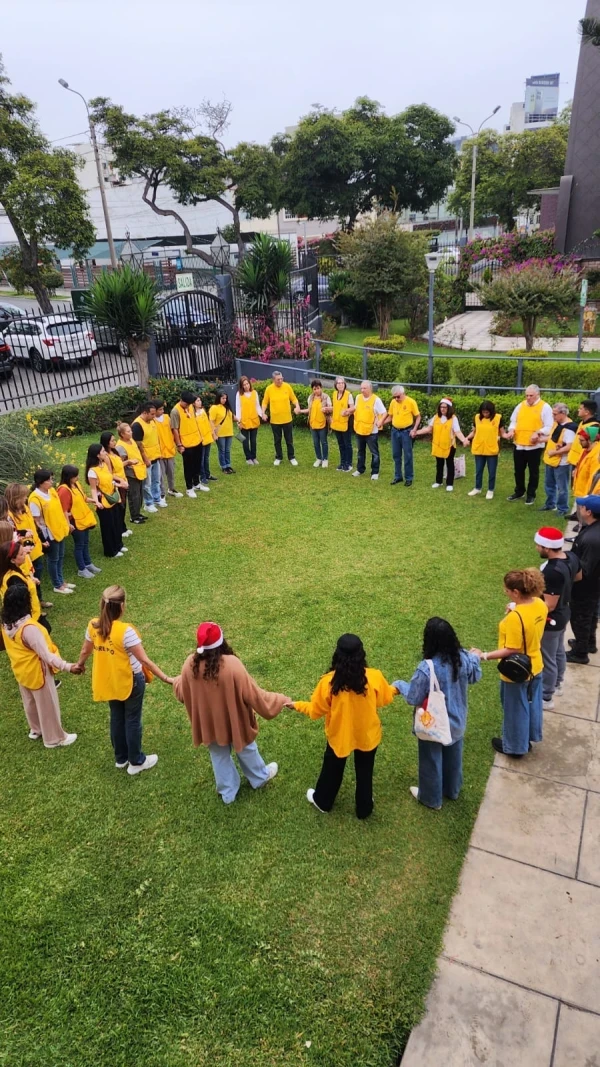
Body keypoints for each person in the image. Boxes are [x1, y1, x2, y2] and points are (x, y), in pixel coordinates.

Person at [173, 621, 292, 804]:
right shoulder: (232, 665)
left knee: (218, 755)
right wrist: (281, 700)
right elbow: (256, 696)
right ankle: (259, 778)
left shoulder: (190, 665)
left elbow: (183, 693)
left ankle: (228, 792)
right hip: (235, 721)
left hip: (209, 724)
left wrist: (177, 683)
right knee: (246, 749)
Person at [293, 633, 398, 818]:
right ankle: (364, 808)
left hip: (339, 737)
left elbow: (315, 711)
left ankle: (323, 801)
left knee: (332, 770)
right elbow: (385, 698)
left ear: (337, 655)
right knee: (365, 772)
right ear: (361, 654)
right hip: (367, 735)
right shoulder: (374, 677)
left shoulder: (328, 683)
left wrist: (296, 705)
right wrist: (396, 688)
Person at [75, 584, 173, 774]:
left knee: (117, 717)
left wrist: (79, 665)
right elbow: (144, 660)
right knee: (132, 720)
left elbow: (85, 650)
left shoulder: (93, 626)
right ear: (121, 607)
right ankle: (136, 761)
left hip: (109, 680)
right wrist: (166, 678)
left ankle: (121, 758)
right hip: (131, 681)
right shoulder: (126, 631)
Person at [394, 618, 481, 810]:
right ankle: (452, 790)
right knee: (454, 756)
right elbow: (475, 675)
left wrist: (399, 685)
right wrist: (476, 656)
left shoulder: (427, 668)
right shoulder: (463, 658)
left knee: (430, 760)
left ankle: (431, 798)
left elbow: (414, 697)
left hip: (432, 724)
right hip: (457, 721)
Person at [471, 569, 548, 758]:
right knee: (532, 704)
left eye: (507, 590)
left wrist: (483, 655)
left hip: (517, 671)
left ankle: (514, 747)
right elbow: (530, 618)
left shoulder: (515, 618)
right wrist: (516, 607)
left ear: (516, 592)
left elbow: (511, 649)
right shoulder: (539, 604)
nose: (505, 592)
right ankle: (528, 738)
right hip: (536, 664)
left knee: (515, 710)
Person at [1, 583, 78, 748]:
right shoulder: (29, 629)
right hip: (37, 670)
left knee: (29, 701)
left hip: (21, 669)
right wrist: (67, 666)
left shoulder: (6, 622)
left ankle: (35, 729)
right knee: (47, 703)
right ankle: (55, 738)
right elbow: (47, 656)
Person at [533, 527, 578, 708]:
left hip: (552, 620)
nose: (537, 548)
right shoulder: (571, 557)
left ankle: (546, 696)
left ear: (547, 548)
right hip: (564, 611)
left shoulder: (552, 571)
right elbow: (579, 577)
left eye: (539, 545)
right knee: (558, 651)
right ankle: (558, 683)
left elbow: (549, 605)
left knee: (547, 657)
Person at [505, 384, 553, 505]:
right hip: (519, 444)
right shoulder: (520, 406)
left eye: (531, 395)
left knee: (533, 471)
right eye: (526, 395)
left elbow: (549, 426)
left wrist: (539, 432)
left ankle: (531, 494)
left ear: (538, 394)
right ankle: (519, 491)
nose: (528, 398)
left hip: (534, 446)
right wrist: (511, 430)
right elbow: (513, 421)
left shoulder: (545, 407)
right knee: (518, 470)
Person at [566, 495, 600, 664]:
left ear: (589, 512)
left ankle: (580, 653)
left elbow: (584, 570)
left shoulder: (592, 539)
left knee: (581, 617)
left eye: (582, 507)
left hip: (586, 587)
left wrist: (571, 582)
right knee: (591, 614)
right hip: (594, 586)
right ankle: (589, 643)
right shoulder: (592, 528)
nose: (579, 509)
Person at [29, 469, 73, 595]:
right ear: (40, 482)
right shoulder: (34, 498)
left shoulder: (52, 491)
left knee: (60, 556)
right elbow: (37, 521)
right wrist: (43, 539)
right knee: (53, 559)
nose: (51, 482)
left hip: (59, 529)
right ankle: (57, 584)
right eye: (48, 480)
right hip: (49, 534)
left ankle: (61, 581)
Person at [57, 465, 101, 580]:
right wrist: (68, 524)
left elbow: (84, 498)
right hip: (75, 522)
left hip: (84, 519)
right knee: (79, 545)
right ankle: (82, 569)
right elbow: (64, 510)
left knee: (85, 542)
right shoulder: (64, 490)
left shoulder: (76, 485)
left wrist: (94, 501)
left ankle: (88, 564)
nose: (77, 477)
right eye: (75, 476)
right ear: (68, 477)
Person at [5, 482, 47, 601]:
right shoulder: (9, 516)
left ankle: (39, 600)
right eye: (23, 496)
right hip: (22, 553)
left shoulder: (25, 508)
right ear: (15, 498)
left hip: (35, 548)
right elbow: (12, 534)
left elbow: (34, 525)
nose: (26, 498)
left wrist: (42, 540)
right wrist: (23, 534)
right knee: (27, 577)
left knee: (37, 574)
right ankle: (30, 602)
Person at [415, 398, 468, 492]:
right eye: (441, 407)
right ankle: (438, 481)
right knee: (439, 464)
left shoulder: (453, 418)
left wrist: (464, 440)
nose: (442, 409)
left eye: (445, 407)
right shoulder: (436, 417)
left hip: (449, 445)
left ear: (449, 408)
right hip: (437, 445)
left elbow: (457, 431)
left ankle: (450, 483)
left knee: (449, 463)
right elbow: (428, 429)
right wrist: (416, 432)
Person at [85, 443, 125, 560]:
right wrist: (97, 502)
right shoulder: (92, 471)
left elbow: (110, 479)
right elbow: (93, 488)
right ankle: (110, 550)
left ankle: (118, 544)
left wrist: (118, 484)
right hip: (103, 500)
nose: (105, 453)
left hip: (112, 496)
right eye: (103, 451)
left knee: (117, 522)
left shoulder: (104, 465)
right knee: (108, 526)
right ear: (97, 455)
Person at [539, 403, 577, 517]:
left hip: (562, 463)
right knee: (549, 484)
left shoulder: (569, 428)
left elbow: (570, 446)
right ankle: (550, 503)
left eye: (555, 414)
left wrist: (555, 452)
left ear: (563, 413)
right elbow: (553, 438)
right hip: (550, 460)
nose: (553, 416)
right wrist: (540, 439)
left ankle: (562, 508)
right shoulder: (556, 424)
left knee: (562, 487)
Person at [0, 538, 45, 628]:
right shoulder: (14, 580)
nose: (25, 554)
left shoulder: (12, 572)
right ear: (13, 560)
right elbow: (21, 606)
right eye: (21, 554)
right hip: (28, 622)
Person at [381, 385, 421, 487]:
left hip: (406, 432)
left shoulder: (411, 402)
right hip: (395, 431)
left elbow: (418, 417)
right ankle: (398, 476)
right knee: (396, 455)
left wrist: (414, 429)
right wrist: (382, 422)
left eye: (398, 396)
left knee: (407, 455)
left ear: (403, 394)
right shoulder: (393, 402)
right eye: (394, 397)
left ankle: (409, 478)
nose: (396, 399)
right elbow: (390, 416)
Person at [465, 400, 504, 499]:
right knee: (478, 470)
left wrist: (509, 435)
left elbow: (502, 433)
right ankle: (477, 488)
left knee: (492, 471)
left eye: (487, 412)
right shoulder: (477, 417)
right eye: (483, 412)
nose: (485, 414)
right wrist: (466, 438)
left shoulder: (498, 418)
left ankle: (490, 490)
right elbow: (474, 432)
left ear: (491, 411)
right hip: (479, 448)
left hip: (492, 449)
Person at [261, 370, 301, 466]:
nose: (280, 381)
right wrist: (263, 413)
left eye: (281, 379)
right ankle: (278, 457)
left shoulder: (287, 386)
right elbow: (265, 402)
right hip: (275, 421)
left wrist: (297, 406)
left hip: (287, 419)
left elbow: (294, 398)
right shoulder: (269, 389)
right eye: (278, 379)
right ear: (273, 380)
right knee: (277, 440)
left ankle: (291, 457)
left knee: (289, 440)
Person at [170, 390, 206, 497]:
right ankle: (189, 487)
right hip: (186, 444)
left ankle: (197, 483)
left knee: (197, 463)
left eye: (190, 404)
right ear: (181, 400)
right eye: (186, 404)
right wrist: (179, 445)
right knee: (188, 466)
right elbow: (175, 429)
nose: (188, 406)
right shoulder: (175, 411)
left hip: (197, 440)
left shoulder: (190, 406)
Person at [352, 381, 387, 481]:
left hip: (371, 432)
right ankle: (360, 469)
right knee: (360, 451)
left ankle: (375, 472)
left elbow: (384, 413)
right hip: (359, 429)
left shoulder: (376, 400)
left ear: (370, 388)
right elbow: (356, 408)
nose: (362, 390)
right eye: (361, 388)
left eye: (364, 388)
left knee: (374, 453)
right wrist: (348, 411)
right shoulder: (358, 397)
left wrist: (380, 421)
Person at [100, 431, 133, 538]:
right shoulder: (106, 456)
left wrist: (128, 462)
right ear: (106, 442)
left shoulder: (114, 452)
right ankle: (119, 529)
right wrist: (121, 481)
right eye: (112, 441)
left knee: (123, 506)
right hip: (117, 483)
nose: (115, 442)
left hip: (123, 480)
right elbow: (109, 473)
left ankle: (122, 526)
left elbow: (118, 465)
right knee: (119, 506)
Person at [132, 401, 163, 513]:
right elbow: (138, 445)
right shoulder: (137, 425)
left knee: (156, 480)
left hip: (155, 456)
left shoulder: (152, 421)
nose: (154, 416)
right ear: (145, 413)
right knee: (147, 483)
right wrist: (145, 458)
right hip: (147, 459)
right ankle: (148, 503)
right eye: (152, 414)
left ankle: (157, 498)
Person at [116, 422, 148, 523]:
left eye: (131, 430)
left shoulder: (131, 440)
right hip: (130, 474)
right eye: (128, 431)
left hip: (139, 471)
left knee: (139, 494)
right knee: (134, 495)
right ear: (122, 434)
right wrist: (129, 462)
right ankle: (134, 517)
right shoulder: (120, 447)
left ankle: (138, 513)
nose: (131, 432)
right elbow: (119, 463)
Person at [153, 399, 182, 500]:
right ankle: (162, 493)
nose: (162, 411)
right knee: (160, 474)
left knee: (171, 471)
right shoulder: (152, 421)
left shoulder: (167, 417)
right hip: (160, 453)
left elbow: (173, 431)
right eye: (160, 409)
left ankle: (171, 488)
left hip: (169, 450)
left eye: (162, 409)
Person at [299, 380, 332, 468]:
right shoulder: (310, 398)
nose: (316, 390)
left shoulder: (326, 397)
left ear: (321, 388)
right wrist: (300, 411)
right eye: (314, 389)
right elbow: (309, 410)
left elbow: (331, 408)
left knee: (323, 442)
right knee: (315, 442)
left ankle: (325, 459)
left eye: (318, 388)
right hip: (313, 424)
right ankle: (318, 458)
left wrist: (326, 409)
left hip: (322, 424)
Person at [235, 375, 264, 465]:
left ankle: (254, 457)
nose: (246, 386)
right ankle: (248, 458)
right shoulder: (239, 394)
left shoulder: (254, 393)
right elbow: (238, 408)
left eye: (247, 384)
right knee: (245, 441)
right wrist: (238, 421)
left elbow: (257, 406)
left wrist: (262, 415)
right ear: (241, 386)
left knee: (253, 441)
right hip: (244, 421)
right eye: (244, 385)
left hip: (254, 420)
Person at [567, 398, 599, 476]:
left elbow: (591, 447)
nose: (578, 410)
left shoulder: (593, 427)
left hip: (583, 461)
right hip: (575, 460)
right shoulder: (582, 423)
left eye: (581, 408)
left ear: (587, 412)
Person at [330, 375, 354, 472]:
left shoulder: (349, 395)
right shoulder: (334, 394)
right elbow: (335, 407)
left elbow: (353, 408)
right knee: (340, 444)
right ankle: (342, 462)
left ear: (345, 384)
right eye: (339, 383)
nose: (340, 385)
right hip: (336, 423)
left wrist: (347, 411)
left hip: (346, 423)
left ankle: (349, 464)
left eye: (342, 383)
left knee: (347, 444)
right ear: (336, 385)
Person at [209, 390, 236, 474]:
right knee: (222, 450)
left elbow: (233, 417)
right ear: (218, 398)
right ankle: (223, 466)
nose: (225, 400)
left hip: (229, 432)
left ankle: (228, 465)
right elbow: (211, 421)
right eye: (223, 398)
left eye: (226, 398)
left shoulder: (227, 407)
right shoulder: (214, 408)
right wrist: (214, 433)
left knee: (227, 450)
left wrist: (240, 421)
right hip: (220, 433)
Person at [572, 426, 600, 500]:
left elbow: (594, 479)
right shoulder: (585, 450)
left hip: (587, 495)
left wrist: (588, 497)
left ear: (590, 441)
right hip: (580, 492)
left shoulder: (596, 457)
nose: (579, 442)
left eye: (582, 440)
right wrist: (576, 470)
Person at [194, 396, 217, 487]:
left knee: (206, 457)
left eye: (200, 400)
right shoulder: (193, 414)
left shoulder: (203, 411)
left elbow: (207, 423)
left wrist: (212, 434)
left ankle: (207, 474)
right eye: (198, 401)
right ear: (193, 403)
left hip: (207, 438)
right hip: (201, 439)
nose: (200, 402)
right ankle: (202, 477)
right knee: (201, 459)